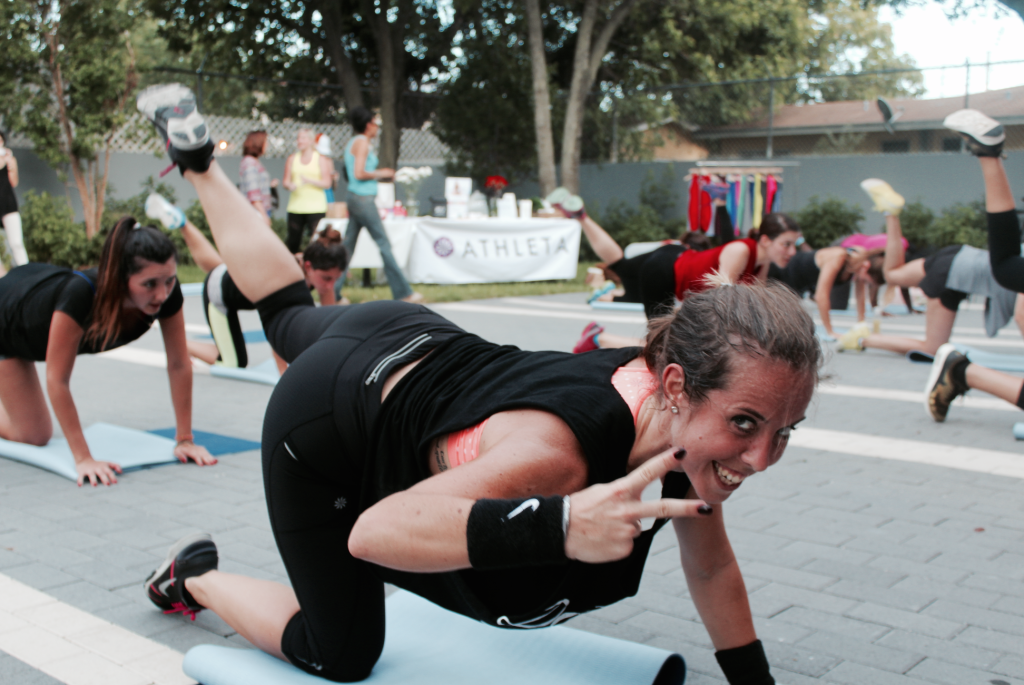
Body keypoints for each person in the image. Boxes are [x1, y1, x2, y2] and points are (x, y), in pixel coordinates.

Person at [137, 83, 822, 685]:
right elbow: (375, 531)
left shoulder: (678, 405)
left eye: (782, 431)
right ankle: (192, 573)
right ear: (677, 385)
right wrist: (558, 523)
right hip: (326, 419)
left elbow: (710, 567)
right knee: (340, 651)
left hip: (411, 334)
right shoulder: (560, 454)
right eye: (744, 423)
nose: (759, 458)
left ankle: (198, 165)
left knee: (286, 311)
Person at [0, 215, 216, 486]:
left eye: (169, 281)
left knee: (34, 430)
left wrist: (184, 439)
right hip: (5, 321)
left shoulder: (167, 294)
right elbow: (58, 380)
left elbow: (178, 363)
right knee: (34, 435)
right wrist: (83, 458)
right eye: (149, 284)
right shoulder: (81, 295)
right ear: (120, 279)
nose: (162, 294)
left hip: (29, 299)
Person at [554, 190, 799, 351]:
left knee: (619, 264)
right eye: (786, 244)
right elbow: (720, 302)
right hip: (665, 272)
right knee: (662, 346)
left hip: (673, 259)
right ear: (766, 240)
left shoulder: (762, 260)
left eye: (793, 245)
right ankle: (598, 339)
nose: (791, 252)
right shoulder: (741, 251)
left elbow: (755, 304)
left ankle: (581, 216)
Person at [143, 194, 348, 374]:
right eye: (327, 279)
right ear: (309, 266)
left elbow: (325, 327)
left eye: (335, 279)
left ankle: (183, 224)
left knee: (217, 265)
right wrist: (283, 374)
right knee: (233, 362)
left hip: (238, 276)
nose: (330, 286)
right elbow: (277, 330)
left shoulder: (316, 271)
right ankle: (179, 343)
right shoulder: (285, 278)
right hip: (220, 294)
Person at [838, 178, 1024, 356]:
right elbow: (1020, 316)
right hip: (954, 272)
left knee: (893, 275)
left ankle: (890, 212)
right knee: (932, 349)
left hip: (958, 255)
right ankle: (863, 339)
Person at [923, 109, 1024, 423]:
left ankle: (962, 372)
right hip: (951, 267)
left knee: (1007, 266)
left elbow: (1007, 266)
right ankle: (962, 372)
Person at [341, 107, 423, 304]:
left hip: (356, 198)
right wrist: (383, 173)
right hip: (362, 199)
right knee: (383, 244)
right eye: (375, 123)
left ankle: (332, 291)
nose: (377, 127)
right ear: (368, 124)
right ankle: (403, 292)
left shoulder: (355, 142)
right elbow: (359, 173)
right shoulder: (361, 143)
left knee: (348, 247)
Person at [769, 243, 882, 339]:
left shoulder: (858, 264)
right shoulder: (839, 257)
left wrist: (861, 327)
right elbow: (821, 296)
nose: (864, 282)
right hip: (787, 271)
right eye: (866, 280)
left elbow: (860, 296)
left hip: (800, 283)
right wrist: (830, 332)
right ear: (866, 267)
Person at [283, 128, 332, 252]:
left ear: (311, 140)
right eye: (298, 138)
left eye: (303, 138)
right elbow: (286, 181)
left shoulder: (321, 159)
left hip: (316, 208)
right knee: (293, 243)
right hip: (295, 207)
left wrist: (309, 180)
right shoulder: (292, 158)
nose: (299, 141)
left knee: (317, 243)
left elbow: (327, 183)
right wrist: (289, 185)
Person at [0, 130, 26, 275]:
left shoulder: (10, 159)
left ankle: (27, 272)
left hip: (8, 204)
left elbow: (14, 182)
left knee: (16, 243)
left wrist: (10, 164)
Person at [239, 130, 276, 226]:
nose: (267, 145)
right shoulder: (250, 163)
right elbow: (253, 193)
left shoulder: (254, 162)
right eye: (265, 142)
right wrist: (263, 215)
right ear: (258, 143)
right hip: (255, 212)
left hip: (259, 210)